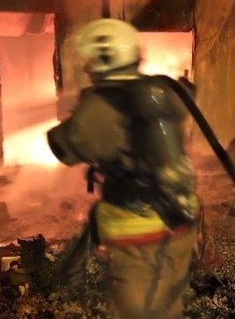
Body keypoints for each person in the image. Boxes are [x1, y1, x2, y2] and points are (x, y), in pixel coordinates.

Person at [47, 18, 201, 319]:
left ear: (103, 59)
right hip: (182, 219)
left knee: (141, 312)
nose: (87, 68)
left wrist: (79, 112)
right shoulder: (160, 89)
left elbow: (63, 148)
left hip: (141, 232)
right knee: (168, 305)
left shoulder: (100, 108)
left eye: (90, 61)